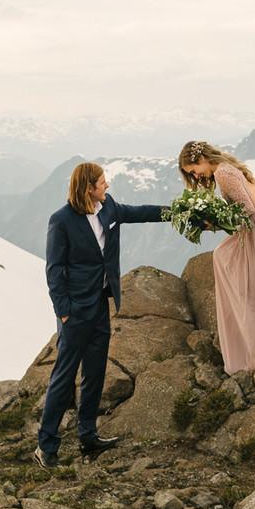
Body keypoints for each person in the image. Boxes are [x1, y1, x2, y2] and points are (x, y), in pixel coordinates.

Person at [35, 161, 166, 468]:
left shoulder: (109, 209)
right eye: (103, 182)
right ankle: (46, 447)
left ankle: (88, 436)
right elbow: (54, 270)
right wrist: (63, 313)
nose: (107, 186)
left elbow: (142, 212)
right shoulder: (61, 220)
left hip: (100, 306)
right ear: (88, 188)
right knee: (63, 378)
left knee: (94, 373)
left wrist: (180, 213)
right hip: (75, 311)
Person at [178, 140, 255, 374]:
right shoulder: (227, 167)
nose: (196, 177)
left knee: (240, 275)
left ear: (202, 159)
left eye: (194, 171)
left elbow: (246, 209)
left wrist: (212, 222)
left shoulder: (223, 173)